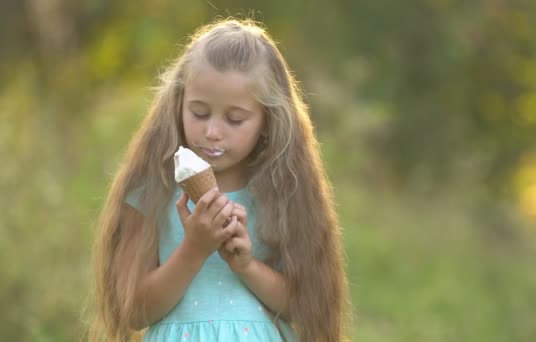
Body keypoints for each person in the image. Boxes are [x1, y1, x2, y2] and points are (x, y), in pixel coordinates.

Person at [88, 18, 350, 341]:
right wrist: (194, 248)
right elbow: (134, 310)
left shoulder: (280, 195)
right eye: (198, 113)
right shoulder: (153, 191)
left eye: (235, 119)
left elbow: (304, 305)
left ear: (266, 121)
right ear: (178, 104)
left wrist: (247, 266)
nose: (212, 132)